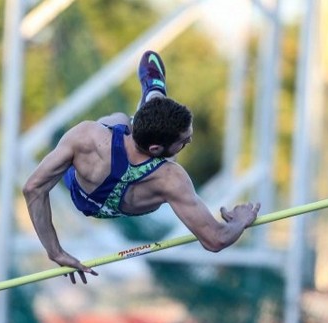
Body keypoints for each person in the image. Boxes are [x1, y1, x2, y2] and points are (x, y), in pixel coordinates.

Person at [23, 50, 260, 284]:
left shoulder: (88, 136)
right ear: (156, 148)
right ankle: (153, 97)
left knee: (116, 122)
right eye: (184, 141)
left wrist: (55, 251)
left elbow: (34, 188)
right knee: (145, 144)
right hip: (127, 199)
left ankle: (153, 97)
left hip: (84, 187)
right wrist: (240, 220)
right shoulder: (171, 178)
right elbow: (215, 240)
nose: (189, 142)